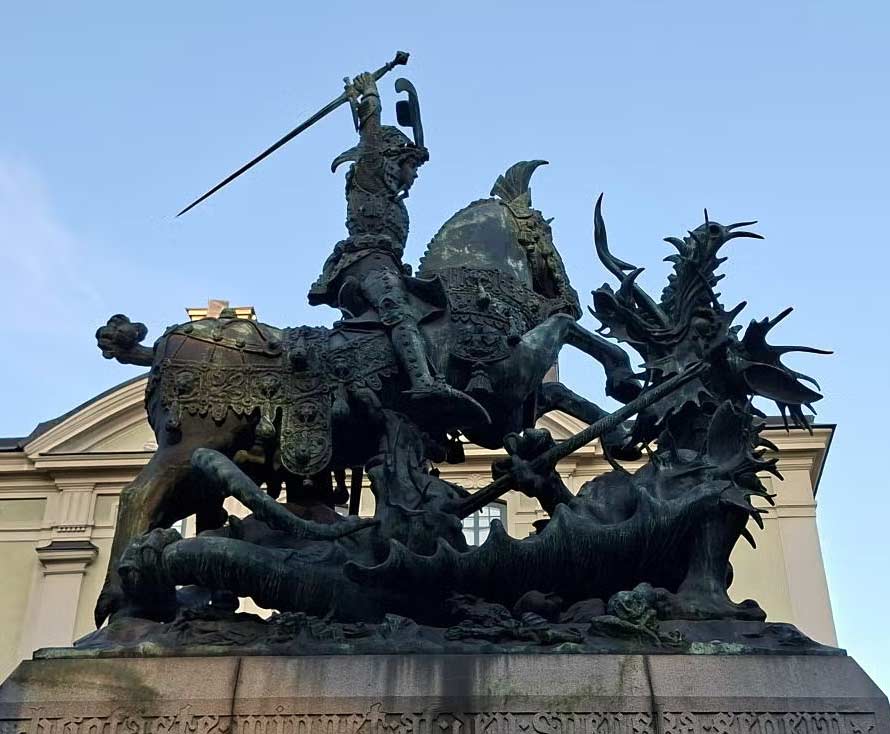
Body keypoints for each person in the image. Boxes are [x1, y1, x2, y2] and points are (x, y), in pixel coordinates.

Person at [308, 71, 488, 428]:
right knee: (398, 310)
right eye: (411, 166)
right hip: (363, 263)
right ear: (393, 160)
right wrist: (371, 101)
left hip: (386, 264)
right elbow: (371, 141)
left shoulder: (392, 199)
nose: (415, 175)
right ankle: (423, 381)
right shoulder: (370, 177)